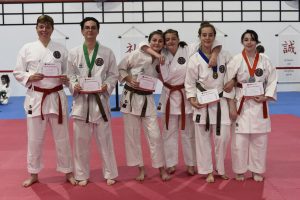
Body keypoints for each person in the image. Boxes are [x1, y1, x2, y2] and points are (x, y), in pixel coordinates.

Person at [140, 29, 223, 176]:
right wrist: (157, 54)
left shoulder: (188, 49)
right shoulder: (162, 53)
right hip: (168, 95)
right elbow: (142, 45)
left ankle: (191, 164)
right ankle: (171, 164)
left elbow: (214, 43)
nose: (170, 41)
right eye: (168, 39)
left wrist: (215, 55)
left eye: (173, 38)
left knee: (188, 133)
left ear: (179, 39)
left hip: (185, 95)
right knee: (168, 132)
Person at [13, 15, 76, 187]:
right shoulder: (27, 48)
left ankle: (68, 171)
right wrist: (29, 76)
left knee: (62, 138)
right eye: (41, 26)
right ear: (36, 28)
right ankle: (33, 173)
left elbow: (69, 74)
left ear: (52, 29)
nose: (44, 30)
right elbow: (18, 72)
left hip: (56, 97)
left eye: (48, 27)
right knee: (34, 139)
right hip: (36, 97)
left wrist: (66, 79)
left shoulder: (61, 49)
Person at [67, 17, 118, 186]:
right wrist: (74, 85)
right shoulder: (74, 53)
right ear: (82, 31)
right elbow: (70, 75)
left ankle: (110, 173)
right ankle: (81, 174)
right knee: (80, 143)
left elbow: (113, 74)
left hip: (100, 102)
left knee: (106, 141)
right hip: (81, 103)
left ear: (98, 30)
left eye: (93, 28)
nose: (90, 30)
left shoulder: (107, 52)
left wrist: (107, 85)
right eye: (87, 28)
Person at [224, 29, 277, 182]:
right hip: (241, 101)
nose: (249, 42)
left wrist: (266, 96)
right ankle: (240, 170)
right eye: (246, 39)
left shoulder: (264, 59)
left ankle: (257, 170)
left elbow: (272, 79)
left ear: (256, 42)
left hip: (259, 103)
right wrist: (232, 106)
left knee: (259, 140)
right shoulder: (236, 59)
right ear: (242, 42)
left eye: (252, 39)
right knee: (239, 141)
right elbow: (228, 82)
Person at [118, 30, 170, 181]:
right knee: (132, 136)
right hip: (131, 97)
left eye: (160, 41)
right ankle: (140, 169)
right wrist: (128, 78)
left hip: (148, 98)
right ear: (149, 41)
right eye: (154, 40)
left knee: (155, 135)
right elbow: (121, 67)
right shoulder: (137, 53)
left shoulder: (163, 59)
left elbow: (166, 78)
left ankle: (161, 168)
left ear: (163, 44)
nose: (157, 43)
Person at [185, 22, 232, 183]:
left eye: (210, 35)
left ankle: (220, 168)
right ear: (199, 37)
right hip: (202, 102)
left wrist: (232, 81)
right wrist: (192, 99)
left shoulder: (224, 55)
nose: (207, 38)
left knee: (222, 137)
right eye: (204, 35)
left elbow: (233, 73)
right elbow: (189, 82)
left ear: (214, 37)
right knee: (202, 139)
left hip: (220, 101)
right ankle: (207, 170)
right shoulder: (194, 59)